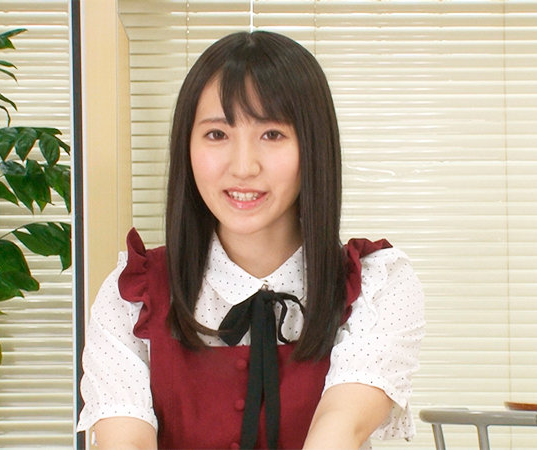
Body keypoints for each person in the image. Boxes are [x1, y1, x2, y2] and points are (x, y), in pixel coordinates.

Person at [77, 30, 424, 449]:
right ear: (187, 146)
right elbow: (125, 440)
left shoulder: (375, 286)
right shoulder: (132, 296)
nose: (243, 167)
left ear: (313, 146)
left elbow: (339, 430)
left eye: (272, 134)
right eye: (217, 135)